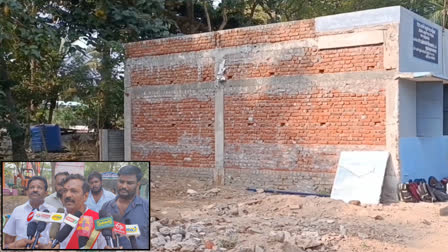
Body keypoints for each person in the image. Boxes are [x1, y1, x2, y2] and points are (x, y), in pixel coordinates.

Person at [37, 174, 107, 249]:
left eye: (74, 191)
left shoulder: (98, 221)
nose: (67, 195)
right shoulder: (55, 218)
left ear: (85, 196)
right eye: (65, 191)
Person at [100, 165, 149, 249]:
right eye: (121, 182)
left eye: (129, 183)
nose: (123, 186)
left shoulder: (147, 207)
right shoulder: (106, 207)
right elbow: (101, 238)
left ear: (137, 184)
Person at [3, 176, 56, 247]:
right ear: (27, 192)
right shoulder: (18, 210)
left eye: (39, 187)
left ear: (46, 193)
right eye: (31, 187)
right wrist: (16, 246)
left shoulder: (54, 212)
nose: (35, 190)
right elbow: (7, 243)